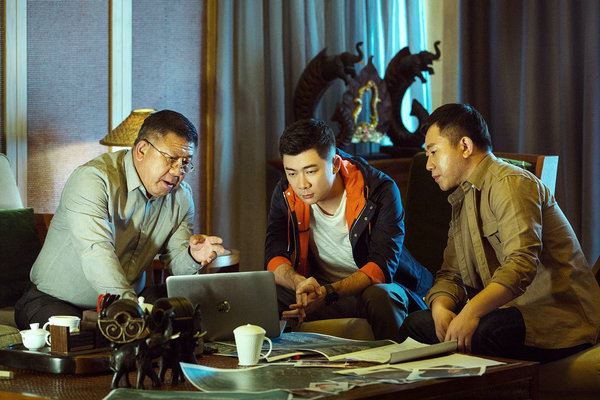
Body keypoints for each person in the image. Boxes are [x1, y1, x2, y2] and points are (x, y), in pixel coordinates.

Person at [400, 103, 600, 362]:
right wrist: (440, 308)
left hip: (555, 316)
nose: (429, 165)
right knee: (415, 324)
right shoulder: (463, 198)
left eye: (434, 152)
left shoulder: (511, 183)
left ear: (465, 146)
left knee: (488, 331)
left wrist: (470, 312)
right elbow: (450, 274)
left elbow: (521, 264)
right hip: (504, 312)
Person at [15, 110, 226, 329]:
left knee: (188, 313)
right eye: (171, 159)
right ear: (141, 150)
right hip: (53, 301)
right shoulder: (93, 179)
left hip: (128, 300)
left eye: (185, 163)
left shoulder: (181, 198)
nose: (177, 172)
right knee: (96, 338)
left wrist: (192, 256)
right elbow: (97, 254)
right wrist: (133, 310)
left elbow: (177, 267)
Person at [264, 119, 433, 340]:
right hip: (323, 290)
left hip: (384, 288)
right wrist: (300, 284)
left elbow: (381, 268)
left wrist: (328, 293)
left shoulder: (378, 189)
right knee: (265, 295)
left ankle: (394, 360)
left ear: (335, 164)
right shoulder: (286, 192)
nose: (301, 184)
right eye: (292, 173)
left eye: (310, 171)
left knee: (379, 296)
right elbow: (274, 256)